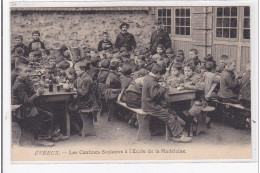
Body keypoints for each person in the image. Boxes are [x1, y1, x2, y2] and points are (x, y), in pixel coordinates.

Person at [11, 65, 67, 147]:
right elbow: (26, 101)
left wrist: (37, 90)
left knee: (49, 108)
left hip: (25, 106)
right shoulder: (19, 84)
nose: (28, 74)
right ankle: (42, 139)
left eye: (29, 71)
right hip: (21, 109)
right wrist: (37, 94)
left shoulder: (22, 81)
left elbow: (29, 94)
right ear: (19, 73)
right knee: (47, 115)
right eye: (26, 72)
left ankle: (54, 134)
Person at [142, 63, 192, 142]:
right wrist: (163, 87)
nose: (161, 77)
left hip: (147, 104)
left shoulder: (147, 77)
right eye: (161, 75)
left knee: (171, 111)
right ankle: (177, 136)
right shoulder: (152, 81)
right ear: (158, 73)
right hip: (151, 106)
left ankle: (177, 129)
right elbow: (154, 95)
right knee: (170, 116)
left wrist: (159, 86)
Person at [71, 61, 97, 136]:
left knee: (71, 108)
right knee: (70, 106)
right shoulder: (80, 77)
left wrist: (76, 90)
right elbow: (75, 84)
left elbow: (84, 93)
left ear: (83, 70)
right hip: (83, 99)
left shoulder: (87, 79)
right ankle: (77, 126)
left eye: (77, 70)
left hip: (87, 102)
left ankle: (80, 127)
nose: (75, 72)